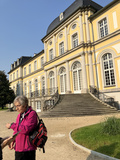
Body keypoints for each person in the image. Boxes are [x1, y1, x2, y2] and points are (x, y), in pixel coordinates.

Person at [6, 95, 38, 160]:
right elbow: (17, 131)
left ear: (25, 105)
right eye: (15, 106)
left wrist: (12, 125)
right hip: (18, 148)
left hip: (28, 149)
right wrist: (13, 140)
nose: (16, 108)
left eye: (18, 106)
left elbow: (26, 129)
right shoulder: (19, 115)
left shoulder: (32, 114)